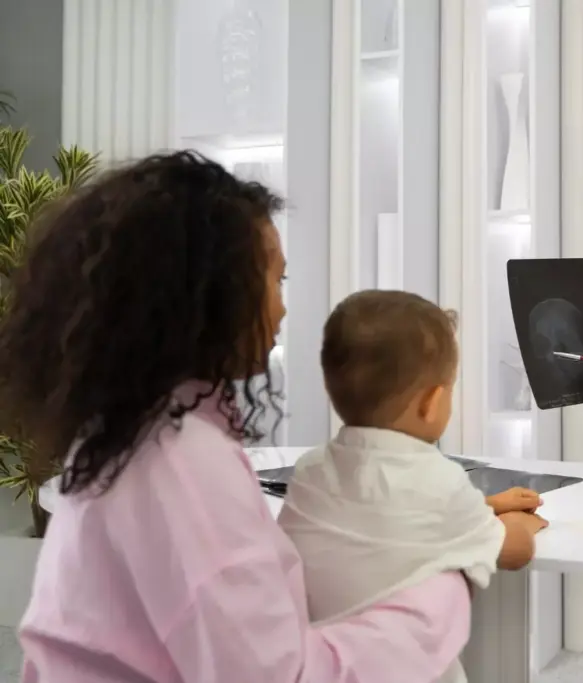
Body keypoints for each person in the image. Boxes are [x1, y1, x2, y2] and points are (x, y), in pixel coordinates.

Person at [0, 151, 471, 683]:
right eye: (276, 281)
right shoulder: (182, 462)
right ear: (210, 290)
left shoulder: (129, 433)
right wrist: (450, 582)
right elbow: (281, 675)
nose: (282, 309)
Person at [279, 289, 549, 683]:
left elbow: (383, 518)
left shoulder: (309, 473)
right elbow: (514, 552)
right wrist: (521, 523)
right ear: (431, 402)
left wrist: (487, 505)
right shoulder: (441, 483)